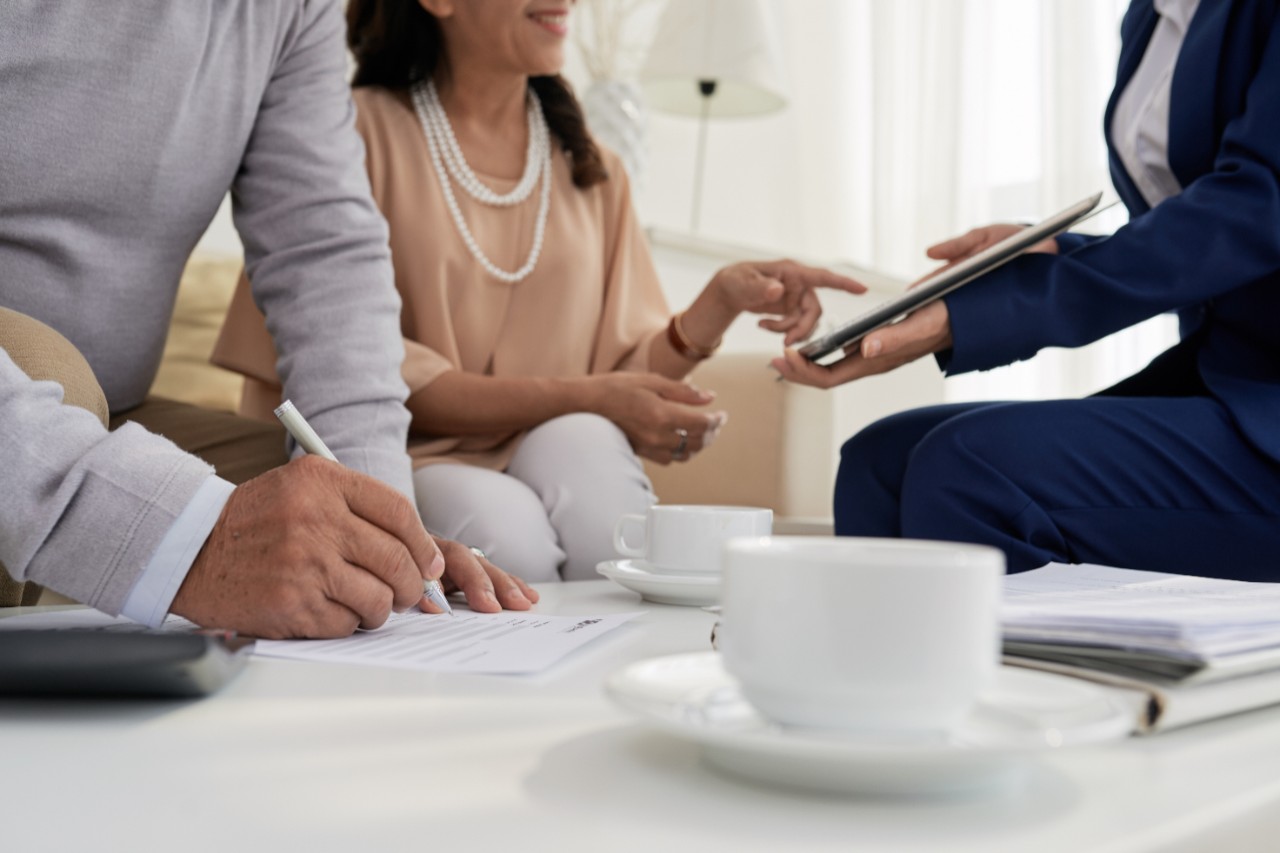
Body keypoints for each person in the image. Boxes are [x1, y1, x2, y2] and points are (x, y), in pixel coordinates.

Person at [213, 0, 863, 582]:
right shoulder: (347, 137)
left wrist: (717, 303)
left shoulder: (592, 167)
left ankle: (623, 681)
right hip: (402, 454)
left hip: (551, 443)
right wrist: (595, 395)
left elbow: (619, 378)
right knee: (507, 532)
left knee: (587, 454)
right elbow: (364, 375)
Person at [0, 0, 537, 638]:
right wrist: (184, 539)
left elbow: (324, 255)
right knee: (41, 362)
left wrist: (375, 528)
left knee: (330, 512)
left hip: (114, 406)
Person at [774, 0, 1280, 581]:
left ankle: (1035, 672)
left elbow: (1255, 210)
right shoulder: (1152, 16)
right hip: (1230, 379)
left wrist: (983, 314)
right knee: (879, 460)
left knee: (970, 469)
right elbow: (1203, 235)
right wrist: (1047, 252)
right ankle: (867, 669)